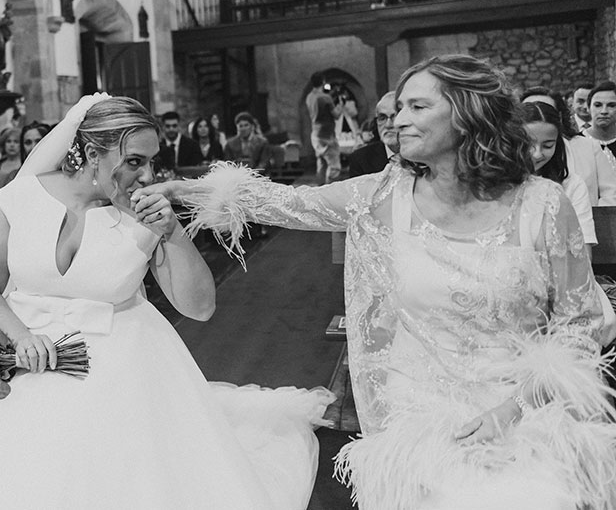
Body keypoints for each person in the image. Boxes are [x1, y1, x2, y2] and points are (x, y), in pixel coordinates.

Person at [148, 56, 616, 509]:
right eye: (396, 111)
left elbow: (580, 327)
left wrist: (512, 409)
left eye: (417, 107)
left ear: (469, 113)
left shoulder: (543, 205)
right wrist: (182, 190)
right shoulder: (385, 196)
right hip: (419, 418)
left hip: (524, 414)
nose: (398, 122)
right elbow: (287, 202)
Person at [0, 94, 333, 510]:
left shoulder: (145, 214)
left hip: (120, 363)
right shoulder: (21, 197)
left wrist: (171, 234)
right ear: (92, 153)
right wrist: (20, 334)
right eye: (134, 161)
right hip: (20, 358)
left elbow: (200, 308)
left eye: (153, 162)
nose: (148, 176)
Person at [520, 87, 616, 206]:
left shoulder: (588, 147)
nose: (540, 115)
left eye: (548, 111)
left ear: (559, 116)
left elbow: (611, 194)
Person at [522, 101, 596, 246]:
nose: (537, 154)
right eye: (529, 145)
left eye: (548, 146)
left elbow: (583, 246)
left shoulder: (571, 185)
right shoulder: (499, 184)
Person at [348, 92, 399, 178]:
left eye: (394, 117)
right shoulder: (360, 159)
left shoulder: (422, 156)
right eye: (382, 118)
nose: (388, 125)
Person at [305, 73, 341, 184]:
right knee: (334, 167)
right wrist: (341, 105)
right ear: (323, 82)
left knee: (322, 164)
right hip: (327, 135)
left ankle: (319, 190)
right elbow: (336, 115)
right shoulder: (325, 97)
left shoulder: (309, 97)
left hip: (315, 134)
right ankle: (330, 193)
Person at [585, 80, 616, 159]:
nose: (604, 111)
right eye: (598, 105)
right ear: (588, 108)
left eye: (611, 105)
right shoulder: (574, 143)